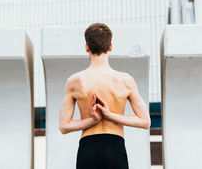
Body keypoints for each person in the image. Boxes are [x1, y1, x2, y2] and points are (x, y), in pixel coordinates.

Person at [59, 23, 150, 169]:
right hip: (115, 148)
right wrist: (110, 115)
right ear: (110, 47)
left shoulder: (74, 81)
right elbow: (145, 121)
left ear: (87, 47)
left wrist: (92, 120)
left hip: (87, 149)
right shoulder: (125, 80)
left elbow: (64, 126)